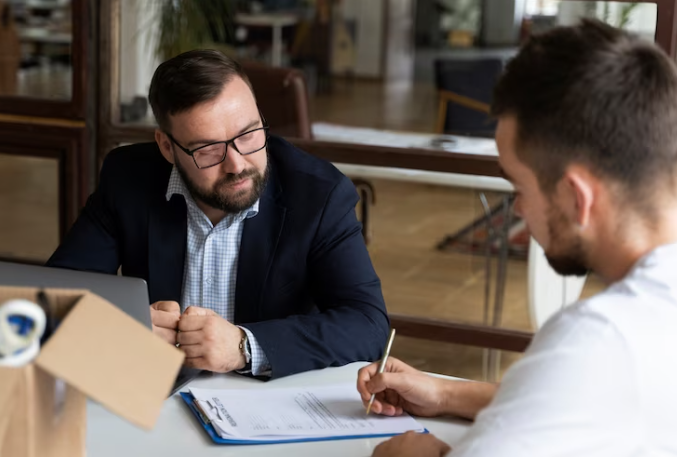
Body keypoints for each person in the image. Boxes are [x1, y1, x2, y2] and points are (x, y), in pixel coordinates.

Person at [358, 19, 677, 456]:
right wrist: (446, 393)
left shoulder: (601, 338)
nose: (520, 210)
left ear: (576, 196)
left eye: (520, 189)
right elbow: (586, 401)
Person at [47, 50, 389, 379]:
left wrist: (245, 347)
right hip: (155, 393)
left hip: (267, 402)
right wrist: (122, 327)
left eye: (249, 134)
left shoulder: (319, 194)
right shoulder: (127, 177)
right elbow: (54, 296)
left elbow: (368, 324)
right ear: (167, 147)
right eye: (208, 149)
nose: (237, 164)